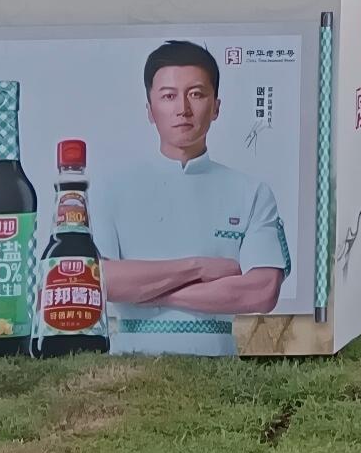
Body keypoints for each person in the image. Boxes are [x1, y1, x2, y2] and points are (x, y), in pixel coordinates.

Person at [93, 41, 292, 353]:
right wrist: (198, 268)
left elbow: (262, 291)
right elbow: (98, 281)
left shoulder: (251, 192)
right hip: (130, 367)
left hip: (219, 368)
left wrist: (147, 291)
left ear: (216, 107)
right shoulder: (110, 190)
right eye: (168, 96)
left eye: (196, 94)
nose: (183, 109)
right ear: (150, 110)